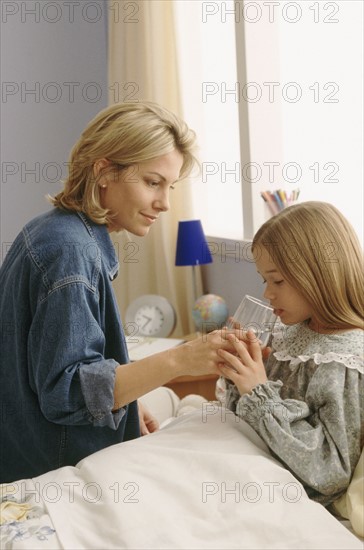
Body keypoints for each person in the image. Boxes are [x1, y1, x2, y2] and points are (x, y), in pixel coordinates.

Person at [0, 101, 236, 483]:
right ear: (104, 171)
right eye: (152, 182)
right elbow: (68, 392)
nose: (164, 203)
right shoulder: (72, 255)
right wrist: (179, 360)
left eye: (170, 186)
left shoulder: (50, 230)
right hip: (52, 465)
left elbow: (51, 365)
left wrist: (128, 397)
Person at [217, 201, 363, 507]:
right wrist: (239, 376)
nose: (267, 293)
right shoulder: (289, 334)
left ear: (320, 274)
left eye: (278, 280)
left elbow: (329, 471)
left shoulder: (345, 361)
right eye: (264, 279)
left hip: (274, 491)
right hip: (242, 460)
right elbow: (243, 419)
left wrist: (259, 393)